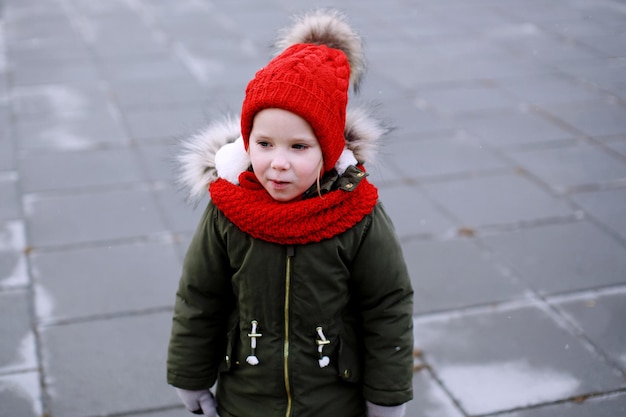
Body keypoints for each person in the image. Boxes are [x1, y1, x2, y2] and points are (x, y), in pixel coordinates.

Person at [167, 9, 414, 417]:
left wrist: (386, 395)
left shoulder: (356, 214)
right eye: (264, 144)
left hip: (332, 397)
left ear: (329, 149)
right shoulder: (229, 211)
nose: (278, 163)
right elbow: (199, 296)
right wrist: (189, 375)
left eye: (298, 147)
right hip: (246, 398)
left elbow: (387, 305)